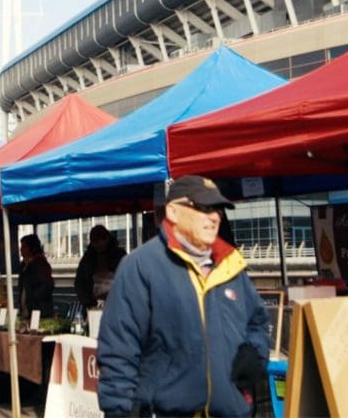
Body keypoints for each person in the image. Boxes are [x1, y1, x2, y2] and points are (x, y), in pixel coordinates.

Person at [98, 175, 270, 417]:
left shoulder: (232, 266)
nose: (214, 217)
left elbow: (258, 321)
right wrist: (121, 410)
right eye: (202, 207)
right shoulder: (140, 266)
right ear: (173, 212)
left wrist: (254, 353)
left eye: (217, 209)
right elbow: (119, 348)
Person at [74, 225, 125, 309]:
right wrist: (88, 303)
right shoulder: (88, 258)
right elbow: (79, 282)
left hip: (114, 303)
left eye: (100, 242)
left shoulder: (118, 255)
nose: (98, 245)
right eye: (95, 242)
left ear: (107, 239)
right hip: (95, 303)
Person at [19, 234, 54, 319]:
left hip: (39, 310)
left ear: (32, 248)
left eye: (24, 247)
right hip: (28, 310)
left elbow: (47, 285)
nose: (21, 249)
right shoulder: (24, 265)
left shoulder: (40, 264)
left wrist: (32, 298)